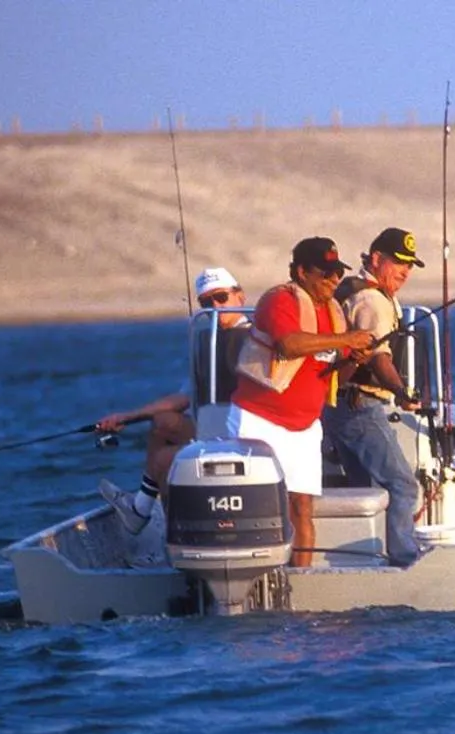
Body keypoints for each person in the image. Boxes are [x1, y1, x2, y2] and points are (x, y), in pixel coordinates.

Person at [229, 237, 374, 568]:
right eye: (325, 273)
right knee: (256, 505)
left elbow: (342, 368)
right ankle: (253, 574)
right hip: (259, 419)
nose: (333, 280)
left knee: (302, 507)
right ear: (300, 271)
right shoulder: (279, 300)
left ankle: (301, 582)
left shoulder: (333, 311)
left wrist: (357, 356)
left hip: (305, 426)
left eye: (337, 273)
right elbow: (290, 344)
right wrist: (347, 339)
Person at [96, 267, 251, 565]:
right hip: (212, 429)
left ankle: (176, 537)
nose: (216, 307)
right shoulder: (208, 342)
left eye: (221, 298)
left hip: (243, 434)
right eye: (207, 303)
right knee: (163, 423)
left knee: (166, 460)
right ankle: (141, 510)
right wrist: (127, 417)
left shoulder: (252, 339)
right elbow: (184, 397)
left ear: (239, 295)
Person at [327, 227, 427, 566]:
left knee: (362, 484)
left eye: (410, 265)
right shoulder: (371, 299)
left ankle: (364, 556)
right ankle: (404, 558)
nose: (405, 272)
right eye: (399, 263)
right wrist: (402, 392)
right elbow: (377, 356)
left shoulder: (355, 291)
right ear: (376, 259)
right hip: (359, 407)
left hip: (336, 405)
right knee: (403, 486)